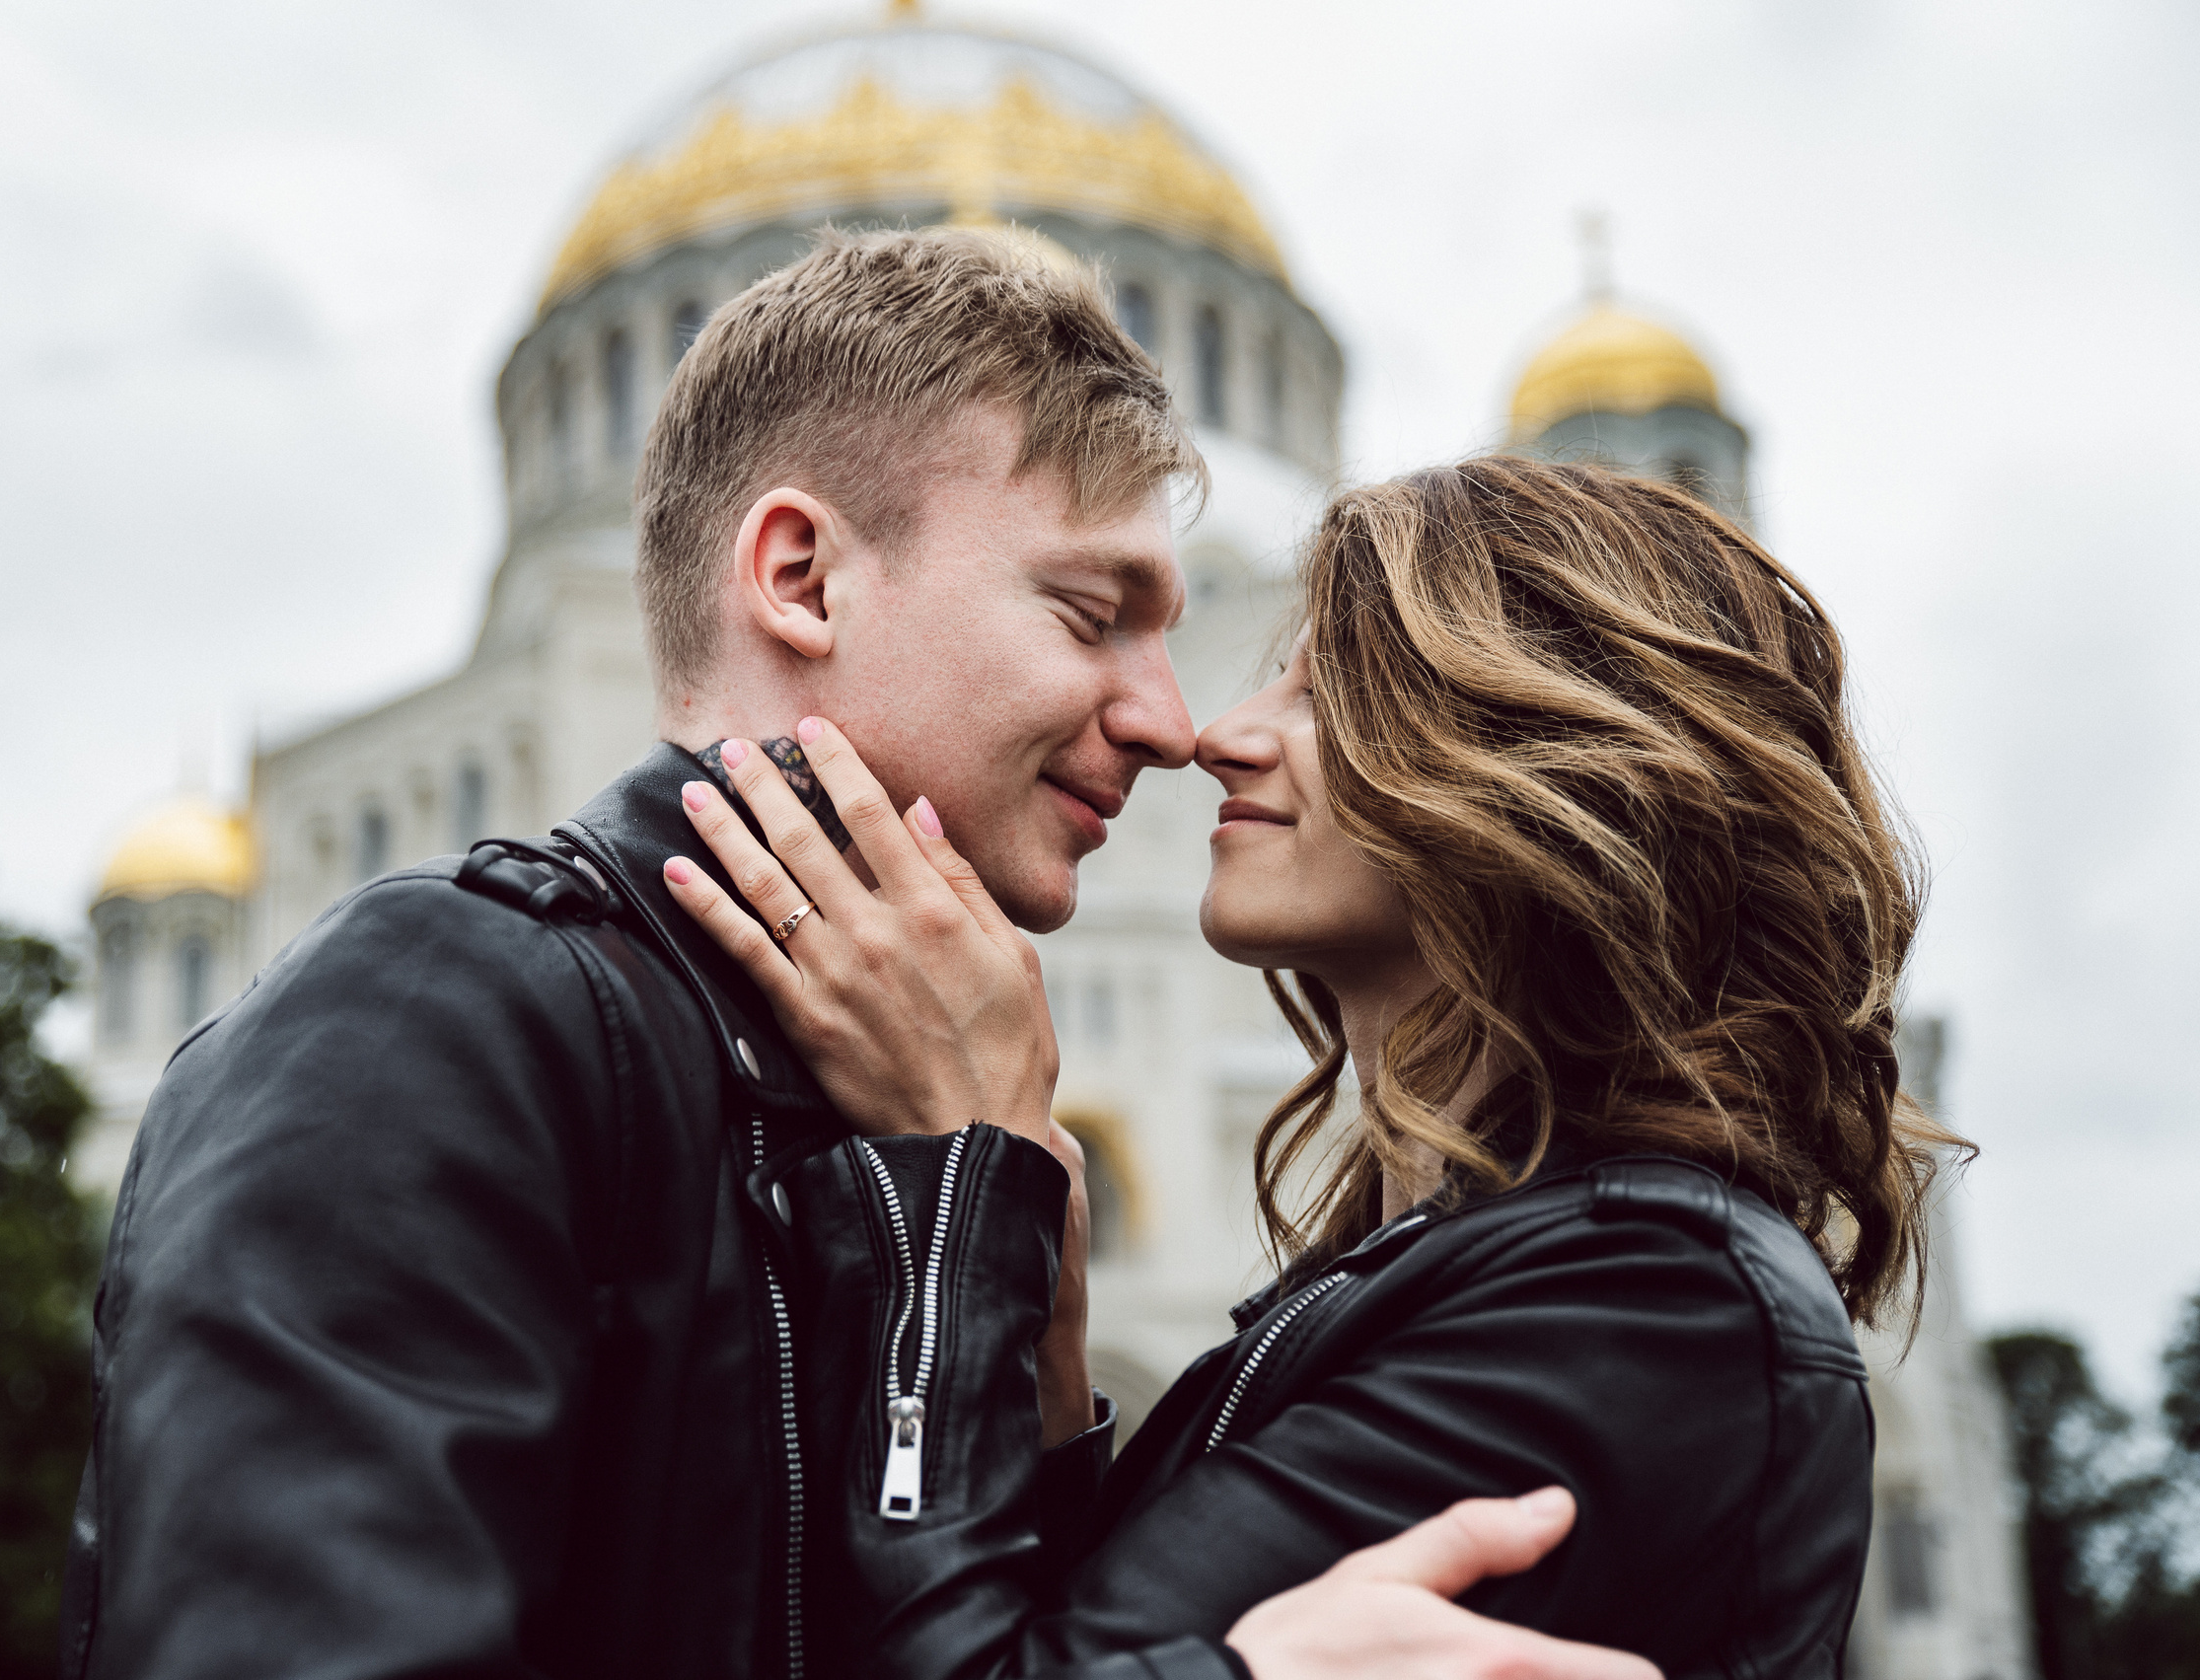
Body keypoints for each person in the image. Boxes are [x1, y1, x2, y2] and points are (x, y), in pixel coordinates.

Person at [58, 230, 1657, 1680]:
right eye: (1092, 612)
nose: (1172, 724)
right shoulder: (439, 1026)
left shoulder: (919, 1109)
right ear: (803, 577)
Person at [665, 455, 1968, 1676]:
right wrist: (1052, 1386)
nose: (1219, 736)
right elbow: (1101, 1624)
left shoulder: (1651, 1305)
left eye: (1324, 692)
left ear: (1547, 763)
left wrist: (955, 1175)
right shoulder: (1458, 1270)